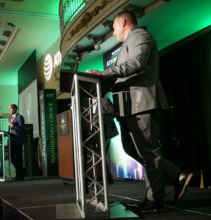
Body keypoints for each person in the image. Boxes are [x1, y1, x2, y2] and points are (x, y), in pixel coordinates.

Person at [86, 11, 193, 212]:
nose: (113, 32)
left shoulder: (140, 35)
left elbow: (136, 63)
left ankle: (154, 200)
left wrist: (104, 73)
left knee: (148, 151)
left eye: (114, 27)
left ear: (124, 22)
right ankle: (177, 174)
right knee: (131, 149)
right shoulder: (126, 44)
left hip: (141, 103)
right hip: (128, 107)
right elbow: (122, 77)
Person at [8, 104, 25, 180]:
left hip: (18, 140)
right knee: (11, 158)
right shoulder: (11, 118)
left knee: (18, 158)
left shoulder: (19, 117)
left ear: (15, 109)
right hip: (12, 140)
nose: (9, 110)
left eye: (11, 108)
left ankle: (20, 175)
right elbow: (10, 130)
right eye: (9, 109)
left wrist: (12, 126)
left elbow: (21, 128)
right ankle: (20, 173)